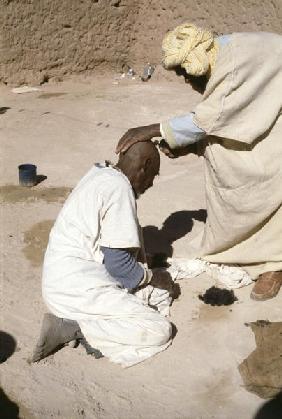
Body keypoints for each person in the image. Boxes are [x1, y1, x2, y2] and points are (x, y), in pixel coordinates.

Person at [116, 23, 282, 301]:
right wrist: (190, 144)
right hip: (267, 110)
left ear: (195, 65)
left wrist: (151, 129)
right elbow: (230, 119)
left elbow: (207, 119)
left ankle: (275, 263)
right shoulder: (221, 56)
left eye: (184, 74)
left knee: (269, 174)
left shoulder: (233, 67)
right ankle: (245, 246)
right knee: (223, 155)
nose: (185, 80)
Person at [32, 141, 173, 367]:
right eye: (153, 176)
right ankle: (75, 328)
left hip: (57, 285)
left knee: (138, 296)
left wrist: (143, 258)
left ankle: (79, 323)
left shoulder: (100, 172)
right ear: (145, 165)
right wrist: (154, 276)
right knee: (159, 329)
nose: (151, 184)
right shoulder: (120, 189)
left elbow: (101, 237)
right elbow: (119, 268)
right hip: (73, 295)